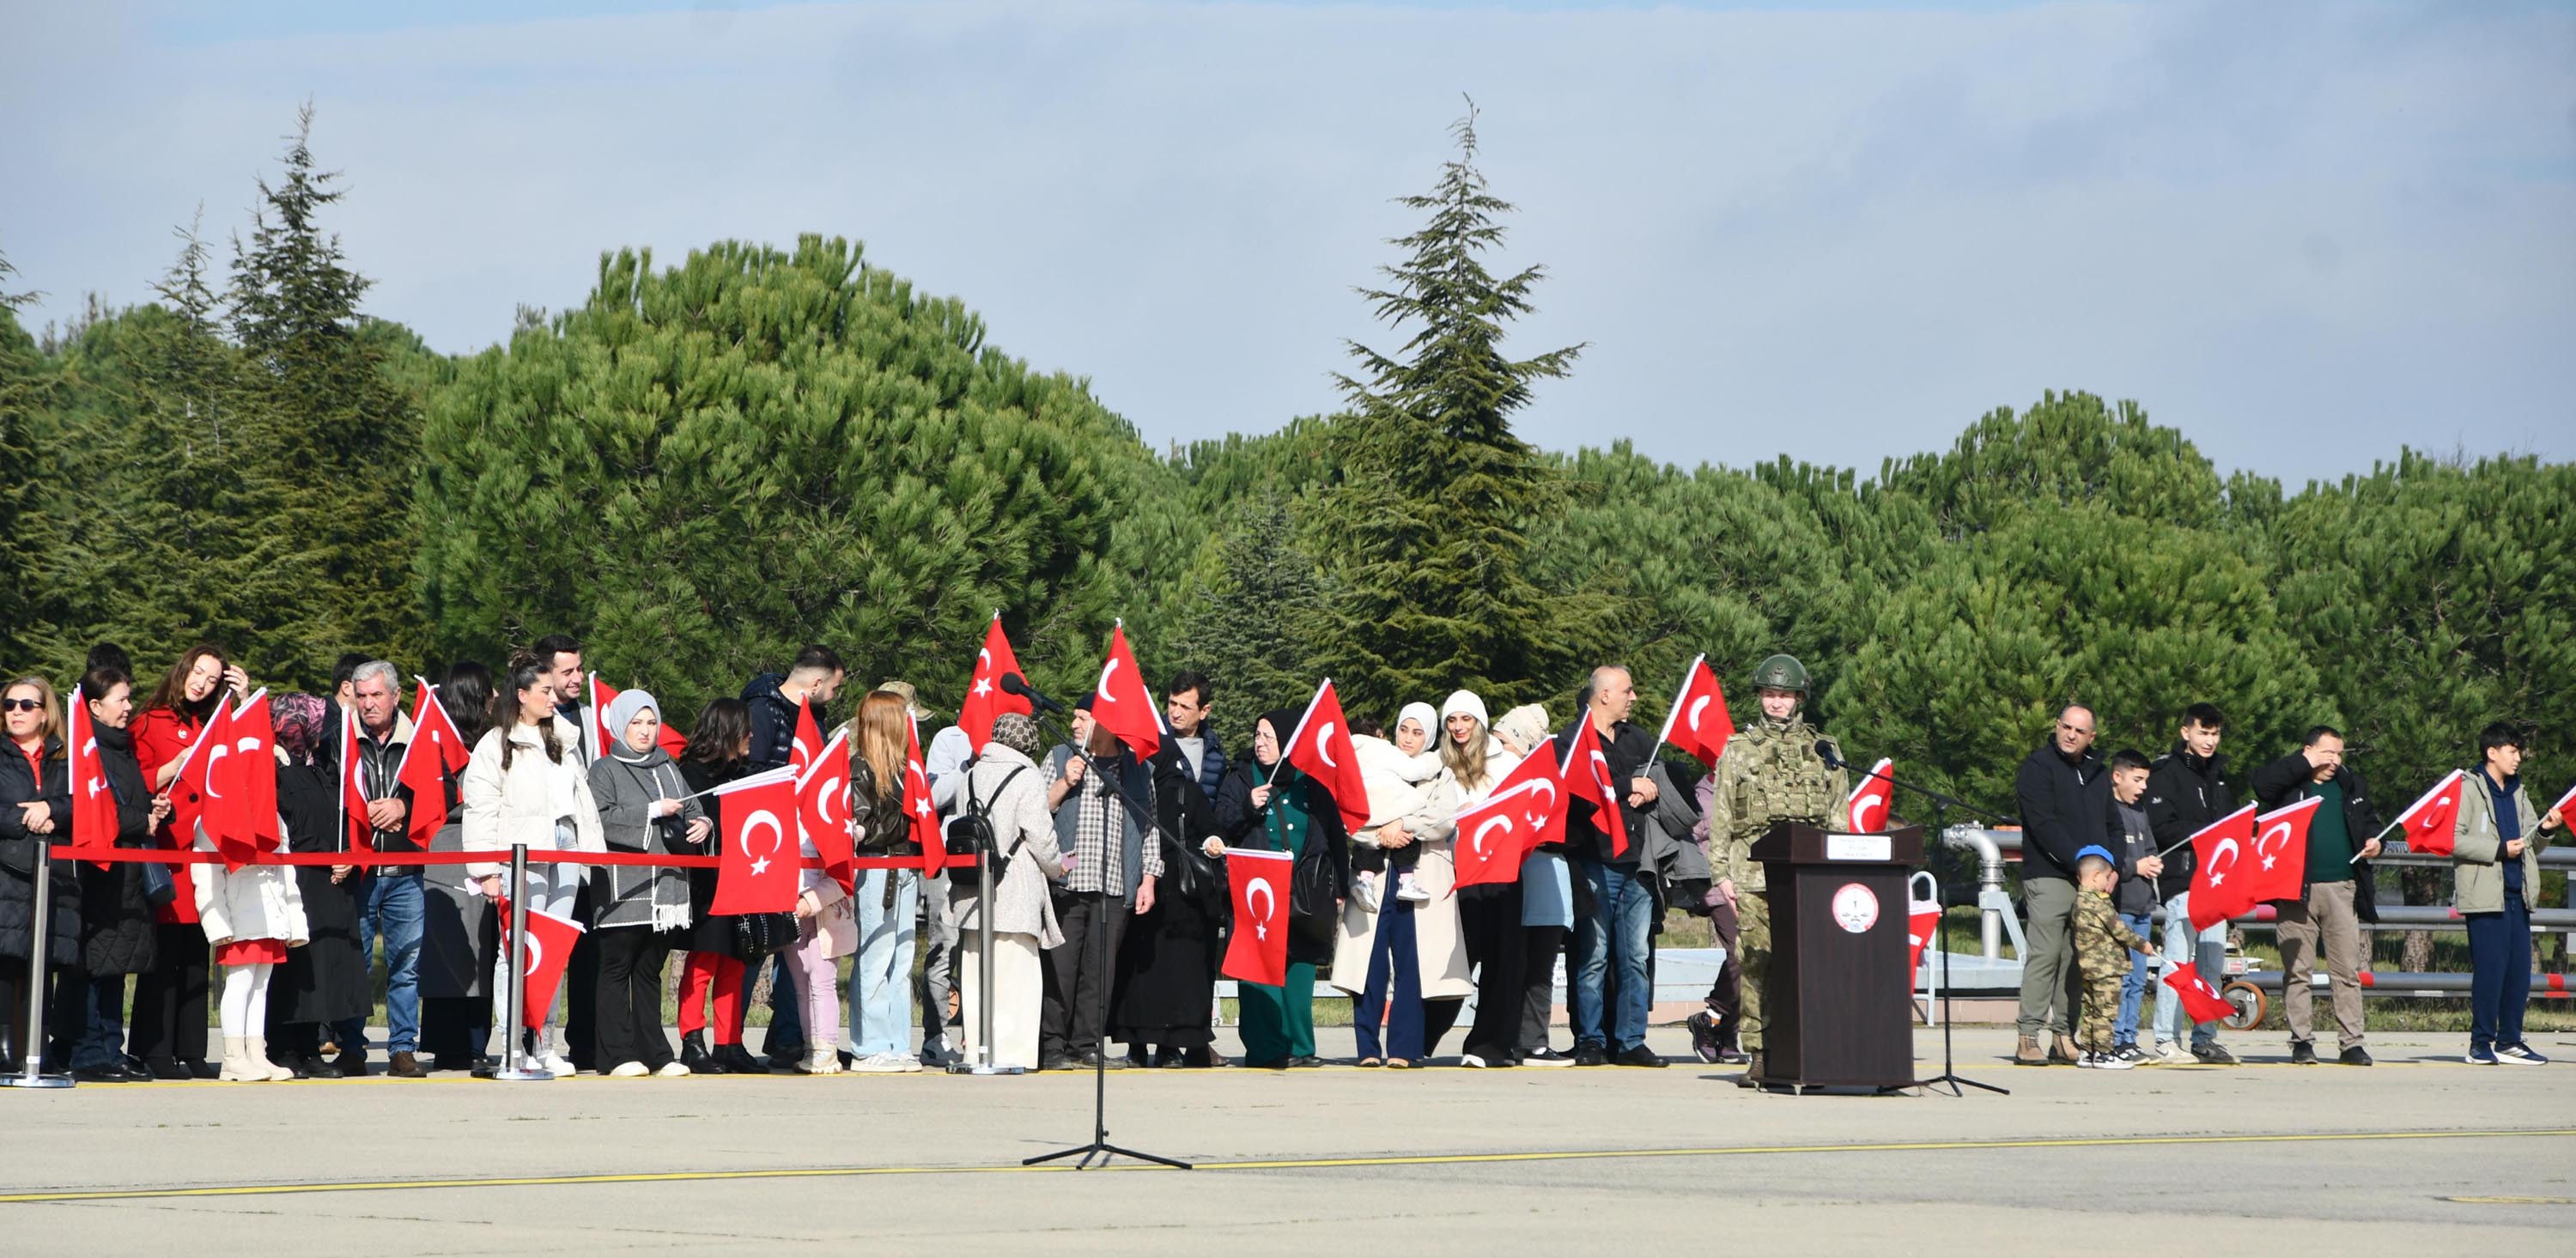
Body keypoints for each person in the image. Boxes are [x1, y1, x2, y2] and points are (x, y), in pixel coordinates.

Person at [1702, 655, 1846, 1084]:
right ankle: (1760, 1052)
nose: (1776, 703)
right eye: (1769, 694)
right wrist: (1721, 875)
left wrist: (1838, 868)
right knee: (1756, 962)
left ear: (1799, 697)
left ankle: (1812, 1046)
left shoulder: (1826, 749)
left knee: (1811, 963)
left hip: (1811, 876)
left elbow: (1838, 815)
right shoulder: (1738, 750)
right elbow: (1723, 815)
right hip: (1754, 874)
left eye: (1784, 695)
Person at [463, 654, 606, 1075]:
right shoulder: (495, 744)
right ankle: (512, 1046)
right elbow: (480, 809)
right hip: (520, 854)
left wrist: (587, 852)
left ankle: (545, 1042)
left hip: (564, 848)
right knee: (516, 952)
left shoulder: (562, 739)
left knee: (554, 951)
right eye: (544, 690)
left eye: (551, 689)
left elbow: (580, 801)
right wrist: (486, 870)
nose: (552, 696)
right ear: (521, 696)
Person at [1384, 690, 1517, 1067]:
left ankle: (1487, 1045)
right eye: (1452, 721)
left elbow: (1516, 808)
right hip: (1456, 874)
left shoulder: (1504, 762)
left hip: (1500, 872)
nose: (1459, 728)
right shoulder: (1437, 764)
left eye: (1466, 720)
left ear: (1480, 722)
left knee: (1499, 962)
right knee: (1451, 960)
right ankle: (1421, 1039)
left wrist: (1485, 813)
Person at [1214, 710, 1348, 1069]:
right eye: (1257, 734)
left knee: (1299, 966)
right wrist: (1248, 806)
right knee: (1257, 967)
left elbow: (1334, 832)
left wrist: (1342, 885)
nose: (1260, 743)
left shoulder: (1312, 779)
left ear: (1288, 742)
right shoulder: (1240, 777)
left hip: (1305, 886)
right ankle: (1265, 1049)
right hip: (1257, 885)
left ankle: (1300, 1047)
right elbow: (1221, 823)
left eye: (1268, 737)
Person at [2250, 725, 2384, 1066]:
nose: (2334, 760)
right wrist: (2302, 762)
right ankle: (2301, 1042)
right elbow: (2261, 784)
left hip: (2342, 888)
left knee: (2346, 971)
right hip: (2296, 890)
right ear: (2308, 750)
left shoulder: (2350, 784)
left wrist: (2373, 841)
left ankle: (2351, 1043)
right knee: (2298, 970)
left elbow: (2369, 819)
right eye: (2327, 752)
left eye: (2339, 754)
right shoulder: (2290, 783)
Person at [1115, 672, 1230, 1068]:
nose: (1176, 712)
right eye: (1172, 703)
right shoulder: (1133, 781)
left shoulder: (1196, 777)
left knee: (1177, 970)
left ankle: (1172, 1044)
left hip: (1183, 888)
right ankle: (1137, 1042)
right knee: (1138, 966)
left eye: (1186, 705)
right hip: (1141, 882)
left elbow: (1212, 821)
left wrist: (1214, 842)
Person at [586, 689, 703, 1078]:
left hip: (667, 887)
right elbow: (599, 819)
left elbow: (694, 805)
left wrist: (703, 824)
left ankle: (656, 1053)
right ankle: (617, 1054)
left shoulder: (670, 766)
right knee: (617, 968)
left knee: (649, 970)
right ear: (621, 725)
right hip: (624, 888)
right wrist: (652, 811)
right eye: (636, 722)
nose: (645, 730)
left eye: (651, 722)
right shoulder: (603, 769)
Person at [1041, 698, 1162, 1069]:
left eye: (1081, 717)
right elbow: (1035, 810)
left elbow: (1150, 825)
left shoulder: (1137, 768)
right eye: (1074, 716)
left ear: (1105, 722)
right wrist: (1065, 782)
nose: (1074, 723)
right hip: (1068, 882)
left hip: (1115, 883)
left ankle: (1087, 1044)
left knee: (1100, 970)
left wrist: (1149, 879)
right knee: (1060, 968)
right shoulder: (1060, 756)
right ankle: (1051, 1046)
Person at [738, 644, 841, 1068]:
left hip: (805, 847)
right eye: (834, 688)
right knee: (753, 944)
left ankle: (791, 1037)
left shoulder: (814, 717)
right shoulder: (761, 710)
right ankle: (728, 1041)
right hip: (766, 846)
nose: (835, 696)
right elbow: (750, 773)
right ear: (815, 683)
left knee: (799, 957)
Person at [69, 668, 170, 1082]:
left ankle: (112, 1046)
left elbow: (131, 799)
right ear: (95, 706)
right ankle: (89, 1051)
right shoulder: (88, 748)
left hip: (127, 872)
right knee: (96, 966)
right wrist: (140, 820)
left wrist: (155, 809)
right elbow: (97, 808)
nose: (129, 707)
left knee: (117, 966)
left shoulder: (121, 746)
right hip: (101, 874)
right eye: (121, 699)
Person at [951, 714, 1065, 1070]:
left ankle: (977, 1051)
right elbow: (1040, 837)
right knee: (1017, 976)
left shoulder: (970, 775)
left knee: (974, 977)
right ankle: (1012, 1054)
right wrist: (1058, 866)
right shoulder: (1027, 777)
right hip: (1015, 888)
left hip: (972, 891)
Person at [195, 730, 310, 1084]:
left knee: (262, 984)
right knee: (241, 983)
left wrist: (294, 921)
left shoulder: (273, 817)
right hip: (239, 915)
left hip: (271, 914)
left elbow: (286, 870)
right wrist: (217, 923)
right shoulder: (215, 815)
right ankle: (233, 1057)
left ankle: (255, 1053)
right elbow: (205, 872)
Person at [267, 693, 369, 1079]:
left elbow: (339, 816)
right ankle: (283, 1046)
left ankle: (309, 1046)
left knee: (320, 966)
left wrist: (346, 852)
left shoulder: (321, 766)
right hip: (295, 880)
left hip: (328, 879)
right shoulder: (273, 767)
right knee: (293, 965)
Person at [2449, 723, 2561, 1066]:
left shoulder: (2517, 791)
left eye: (2519, 751)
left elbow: (2530, 844)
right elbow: (2453, 840)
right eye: (2512, 751)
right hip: (2485, 896)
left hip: (2518, 894)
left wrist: (2544, 830)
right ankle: (2480, 1043)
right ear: (2491, 752)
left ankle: (2511, 1040)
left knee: (2518, 973)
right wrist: (2497, 849)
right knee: (2490, 972)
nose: (2518, 758)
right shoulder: (2468, 789)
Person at [336, 660, 422, 1076]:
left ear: (396, 695)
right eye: (361, 695)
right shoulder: (341, 738)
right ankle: (351, 1047)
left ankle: (402, 1048)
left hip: (407, 873)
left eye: (376, 695)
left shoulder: (421, 737)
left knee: (407, 965)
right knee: (357, 964)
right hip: (360, 874)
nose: (367, 704)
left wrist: (405, 806)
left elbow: (444, 788)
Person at [2011, 704, 2105, 1067]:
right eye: (2066, 727)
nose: (2070, 735)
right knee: (2046, 955)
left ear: (2091, 737)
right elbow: (2043, 823)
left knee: (2075, 960)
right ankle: (2028, 1036)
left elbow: (2110, 824)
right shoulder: (2038, 767)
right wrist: (2081, 862)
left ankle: (2064, 1036)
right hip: (2049, 874)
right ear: (2056, 726)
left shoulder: (2098, 773)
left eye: (2079, 731)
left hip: (2089, 879)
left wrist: (2108, 868)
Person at [2143, 703, 2238, 1066]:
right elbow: (2162, 827)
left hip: (2219, 882)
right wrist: (2208, 834)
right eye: (2203, 732)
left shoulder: (2221, 775)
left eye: (2215, 734)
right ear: (2186, 733)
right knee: (2179, 961)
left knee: (2212, 962)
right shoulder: (2165, 774)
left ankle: (2205, 1038)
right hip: (2183, 879)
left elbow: (2231, 825)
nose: (2210, 741)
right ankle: (2166, 1039)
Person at [674, 700, 761, 1074]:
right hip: (707, 881)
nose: (752, 736)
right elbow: (693, 820)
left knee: (736, 961)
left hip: (741, 875)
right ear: (728, 731)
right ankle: (692, 1042)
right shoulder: (691, 772)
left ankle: (730, 1042)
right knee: (704, 960)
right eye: (745, 729)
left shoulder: (742, 772)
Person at [1, 678, 81, 1076]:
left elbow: (86, 801)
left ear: (45, 712)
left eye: (26, 704)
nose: (16, 711)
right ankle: (3, 1046)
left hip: (53, 872)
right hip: (7, 871)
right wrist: (27, 817)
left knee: (44, 962)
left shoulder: (65, 758)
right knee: (5, 959)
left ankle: (39, 1046)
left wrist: (52, 808)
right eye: (9, 703)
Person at [419, 662, 496, 1072]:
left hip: (481, 842)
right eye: (488, 690)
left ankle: (475, 1040)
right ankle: (450, 1041)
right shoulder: (437, 739)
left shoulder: (493, 741)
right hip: (449, 844)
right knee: (449, 947)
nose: (496, 698)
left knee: (481, 949)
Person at [1491, 702, 1574, 1065]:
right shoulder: (1491, 765)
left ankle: (1532, 1041)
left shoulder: (1544, 768)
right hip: (1503, 873)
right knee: (1508, 964)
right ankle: (1503, 1039)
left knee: (1539, 963)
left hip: (1545, 870)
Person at [845, 690, 924, 1073]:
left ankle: (897, 1041)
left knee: (903, 957)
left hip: (906, 866)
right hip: (878, 867)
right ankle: (869, 1045)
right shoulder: (861, 768)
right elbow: (867, 829)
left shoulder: (907, 769)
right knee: (876, 956)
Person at [2069, 847, 2154, 1070]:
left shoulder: (2079, 901)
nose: (2108, 883)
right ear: (2096, 876)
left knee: (2091, 1010)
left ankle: (2087, 1051)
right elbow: (2119, 930)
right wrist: (2142, 944)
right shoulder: (2099, 902)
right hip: (2106, 967)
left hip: (2089, 967)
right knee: (2106, 1011)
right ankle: (2105, 1053)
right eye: (2107, 877)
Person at [2103, 750, 2163, 1062]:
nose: (2142, 787)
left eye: (2145, 781)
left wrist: (2153, 862)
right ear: (2117, 776)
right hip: (2122, 905)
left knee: (2139, 978)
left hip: (2143, 906)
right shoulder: (2108, 810)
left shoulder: (2140, 812)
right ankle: (2114, 1038)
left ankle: (2130, 1036)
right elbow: (2108, 858)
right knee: (2123, 977)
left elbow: (2151, 847)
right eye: (2137, 780)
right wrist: (2134, 867)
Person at [1352, 703, 1443, 907]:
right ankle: (1407, 881)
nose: (1408, 738)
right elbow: (1414, 771)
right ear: (1382, 733)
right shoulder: (1387, 752)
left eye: (1417, 733)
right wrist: (1387, 833)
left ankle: (1365, 880)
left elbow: (1444, 819)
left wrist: (1399, 825)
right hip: (1384, 833)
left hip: (1371, 820)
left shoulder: (1352, 754)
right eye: (1403, 730)